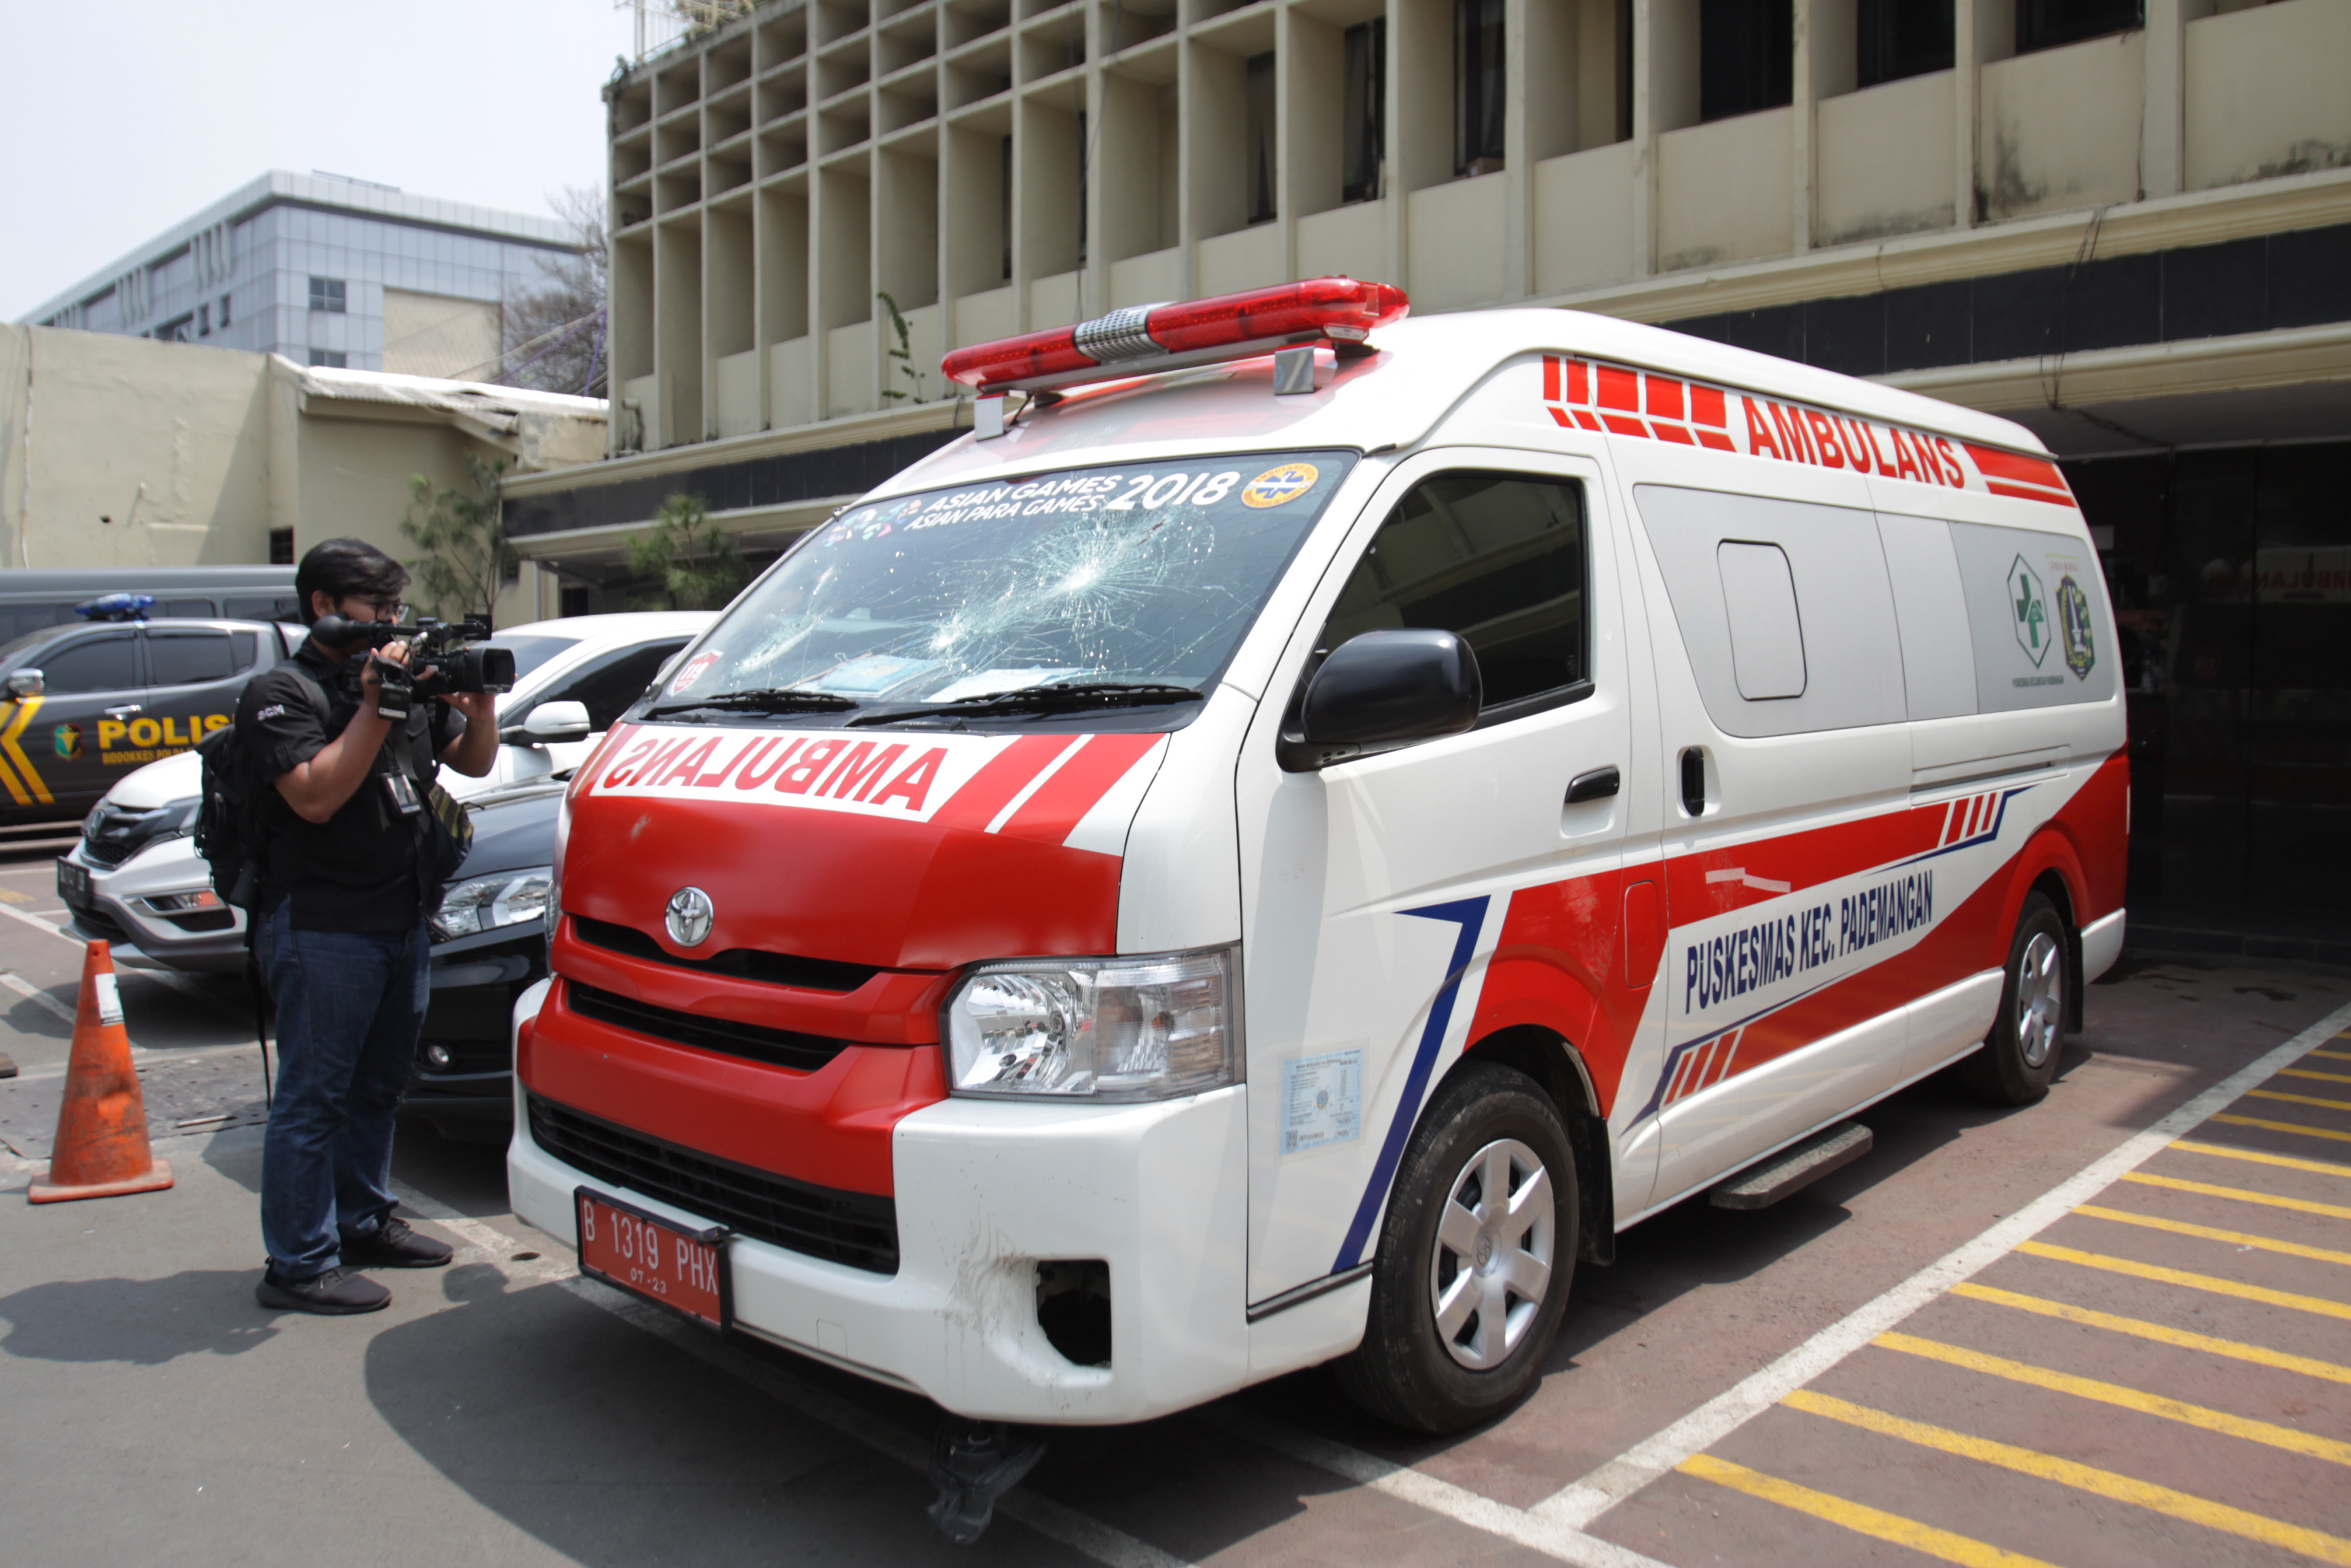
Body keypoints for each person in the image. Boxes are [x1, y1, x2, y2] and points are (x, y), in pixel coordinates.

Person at [242, 539, 498, 1314]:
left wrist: (478, 704)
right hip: (323, 925)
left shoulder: (401, 689)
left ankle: (362, 1220)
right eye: (378, 610)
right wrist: (371, 705)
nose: (393, 624)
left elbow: (479, 763)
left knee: (380, 1089)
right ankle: (298, 1262)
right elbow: (317, 796)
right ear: (324, 607)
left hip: (400, 918)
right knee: (314, 1098)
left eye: (396, 609)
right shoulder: (280, 694)